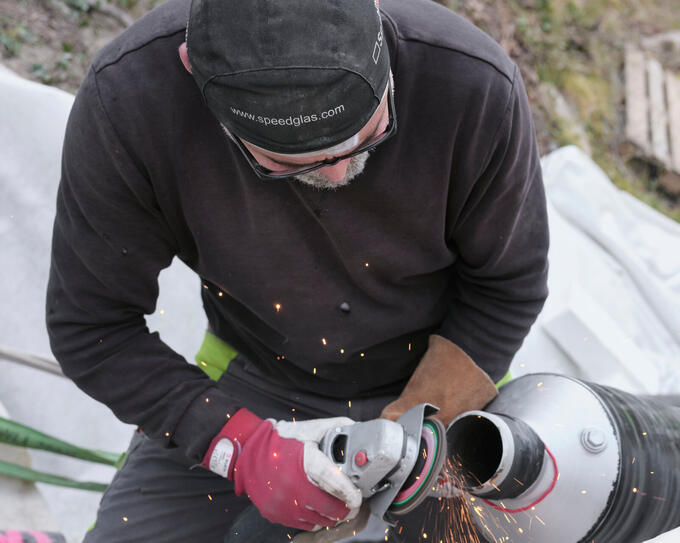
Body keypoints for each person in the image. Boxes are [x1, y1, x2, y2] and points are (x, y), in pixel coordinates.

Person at [45, 0, 549, 540]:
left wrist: (412, 436)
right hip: (257, 379)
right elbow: (92, 327)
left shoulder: (470, 83)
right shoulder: (128, 105)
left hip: (439, 373)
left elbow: (508, 286)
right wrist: (237, 447)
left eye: (365, 133)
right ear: (194, 72)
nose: (337, 174)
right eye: (289, 163)